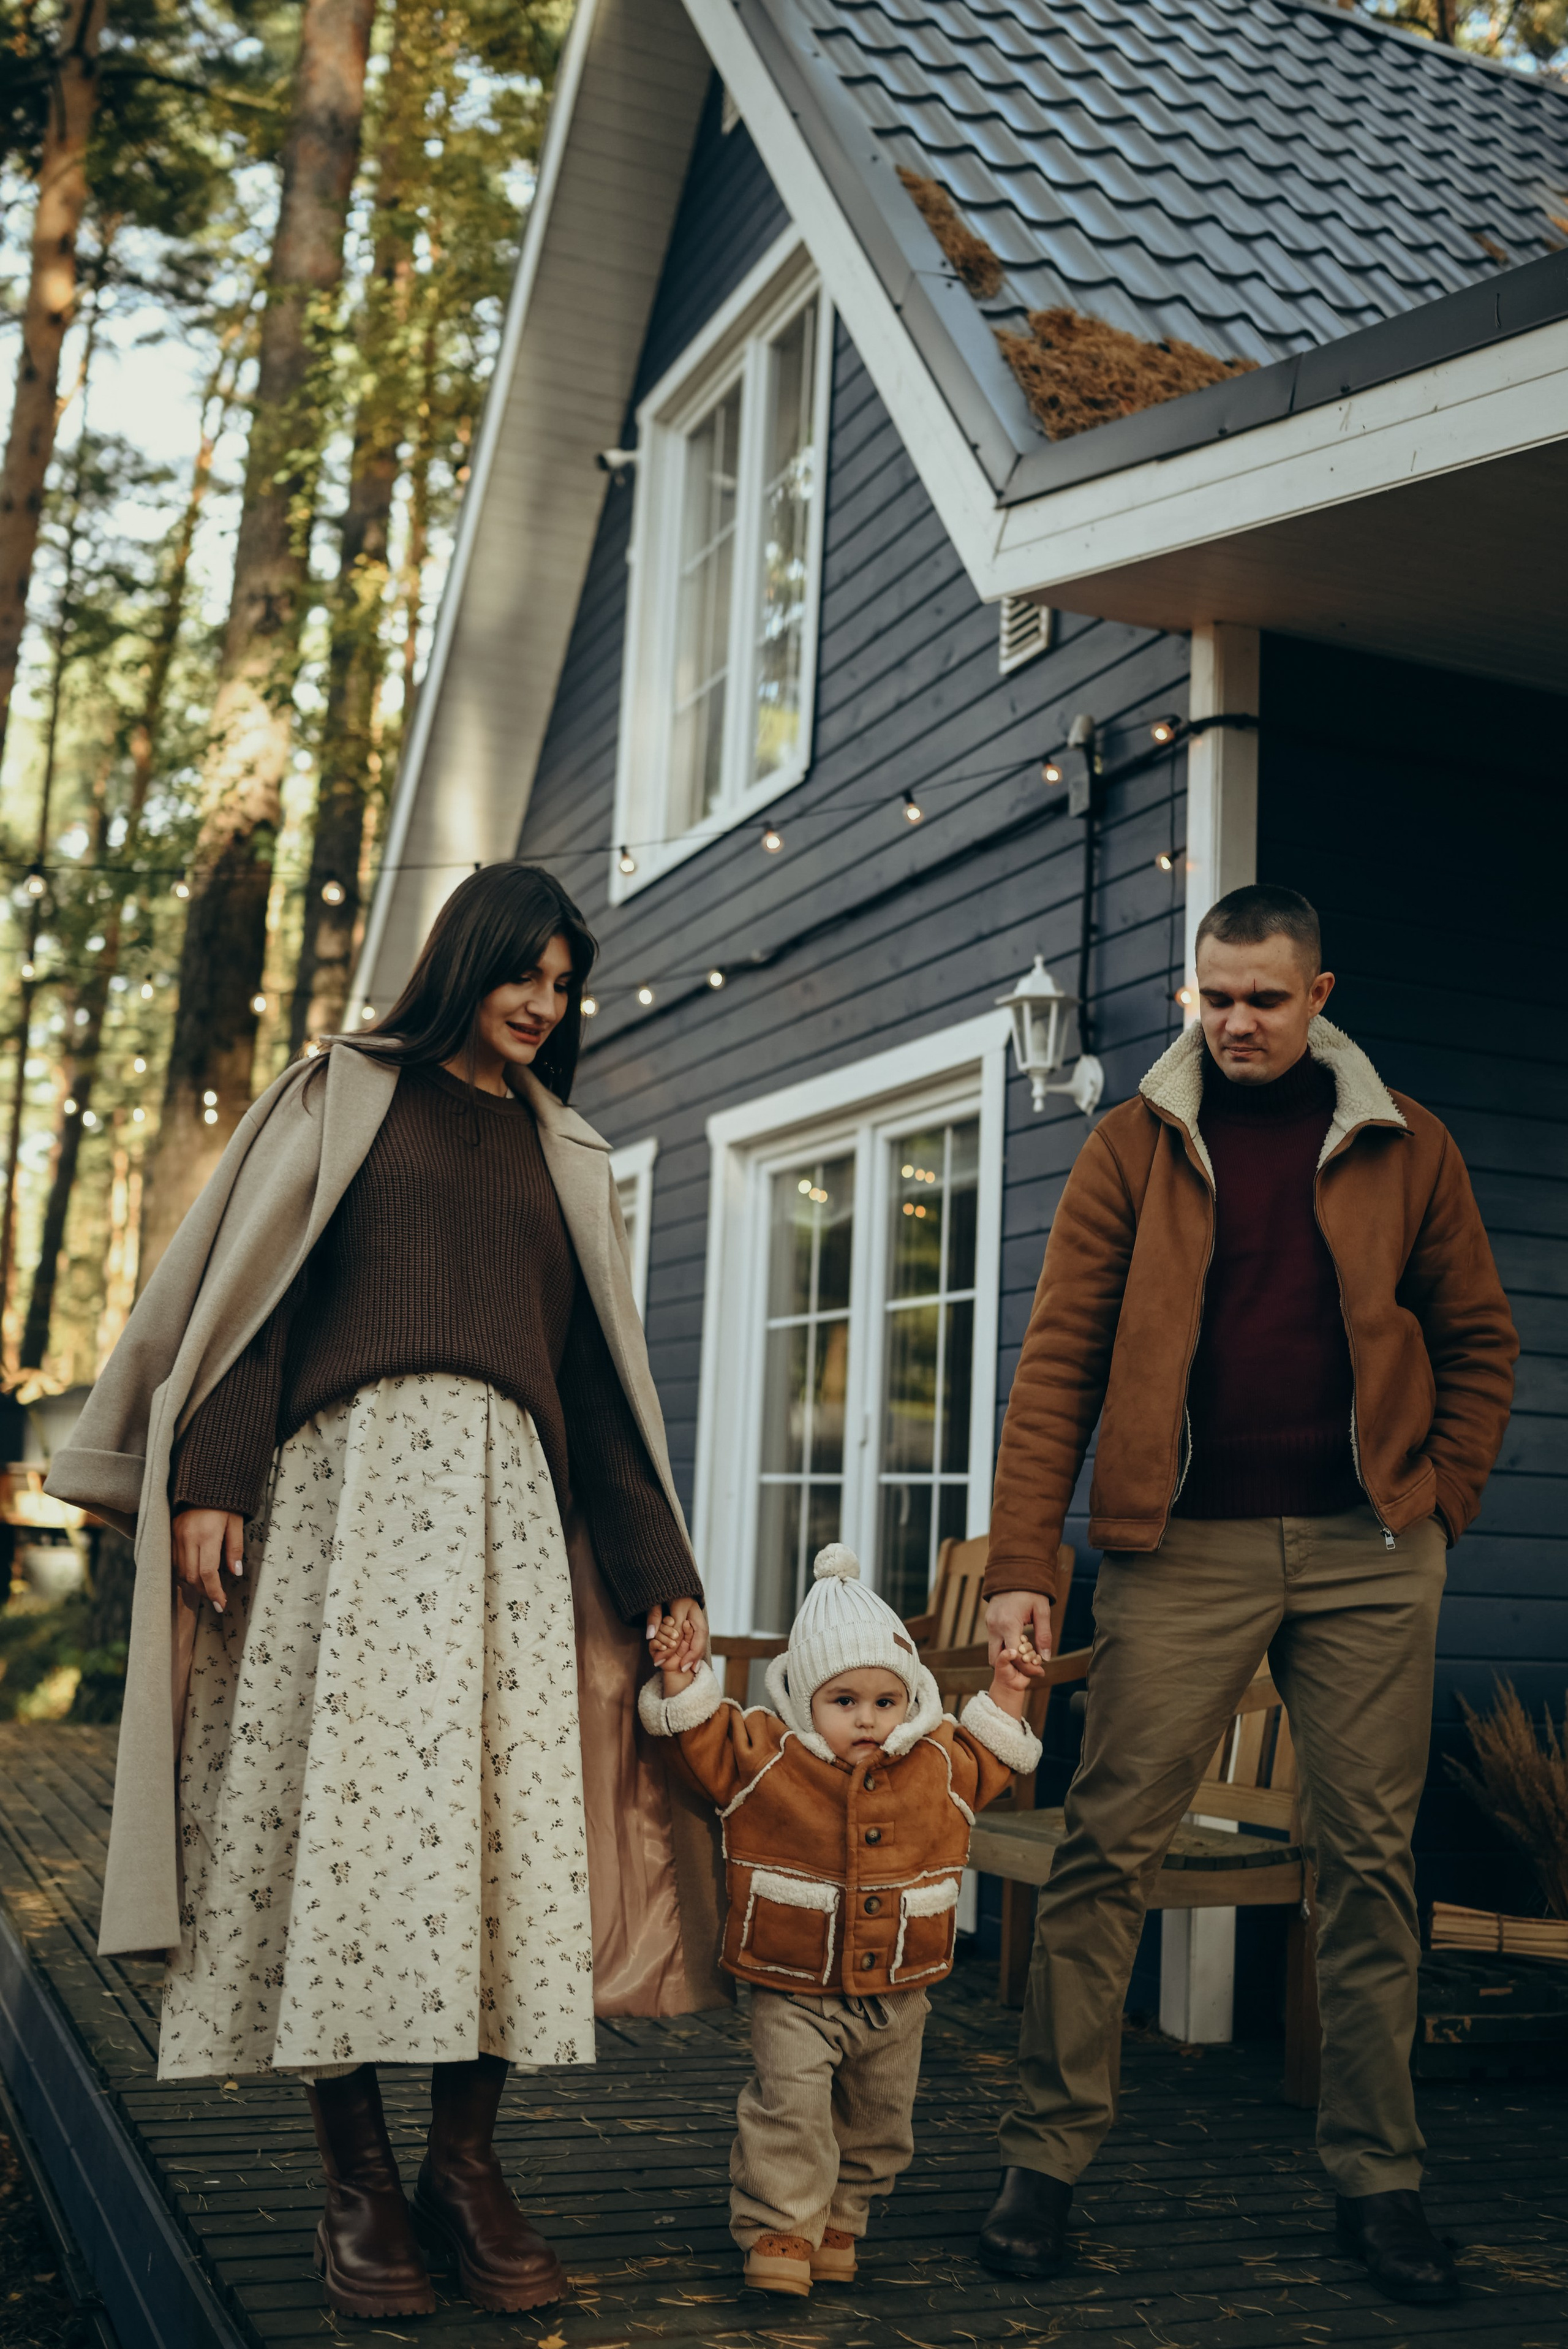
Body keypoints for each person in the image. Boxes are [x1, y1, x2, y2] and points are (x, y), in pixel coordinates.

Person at [45, 864, 727, 2321]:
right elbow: (258, 1294)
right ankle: (355, 2180)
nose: (544, 1002)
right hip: (340, 1516)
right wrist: (213, 1474)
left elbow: (597, 1387)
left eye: (563, 982)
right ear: (465, 961)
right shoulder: (345, 1094)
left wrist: (662, 1573)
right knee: (341, 1840)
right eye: (523, 972)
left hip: (510, 1532)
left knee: (503, 1842)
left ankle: (464, 2169)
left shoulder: (562, 1151)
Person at [974, 883, 1517, 2307]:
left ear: (1316, 995)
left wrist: (1439, 1501)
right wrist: (1023, 1563)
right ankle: (1042, 2163)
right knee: (1105, 1846)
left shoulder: (1406, 1142)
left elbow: (1477, 1340)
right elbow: (1055, 1365)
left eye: (1262, 998)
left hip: (1368, 1549)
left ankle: (1377, 2185)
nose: (1233, 1022)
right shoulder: (1132, 1143)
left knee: (1370, 1864)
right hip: (1180, 1547)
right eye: (1211, 996)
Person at [640, 1543, 1042, 2298]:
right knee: (789, 2110)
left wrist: (1008, 1688)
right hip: (794, 1983)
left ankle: (842, 2219)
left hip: (899, 1989)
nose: (866, 1719)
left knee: (878, 2117)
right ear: (805, 1700)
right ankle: (781, 2227)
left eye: (885, 1702)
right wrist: (680, 1676)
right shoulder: (767, 1757)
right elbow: (699, 1738)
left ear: (910, 1701)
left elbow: (993, 1754)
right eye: (844, 1701)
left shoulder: (938, 1764)